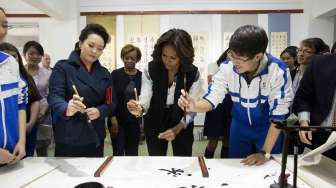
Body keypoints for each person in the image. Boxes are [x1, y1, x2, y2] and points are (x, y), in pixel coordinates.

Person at [178, 25, 293, 165]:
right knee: (237, 167)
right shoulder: (227, 67)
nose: (233, 61)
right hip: (239, 127)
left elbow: (279, 116)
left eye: (239, 58)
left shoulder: (278, 71)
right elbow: (212, 97)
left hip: (267, 127)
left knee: (269, 168)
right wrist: (194, 105)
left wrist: (264, 152)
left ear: (258, 56)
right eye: (231, 55)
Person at [127, 28, 204, 156]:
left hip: (182, 118)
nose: (166, 61)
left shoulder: (193, 73)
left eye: (173, 58)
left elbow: (192, 110)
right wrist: (139, 108)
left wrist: (178, 128)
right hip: (155, 117)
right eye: (164, 55)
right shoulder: (150, 68)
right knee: (156, 160)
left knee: (182, 160)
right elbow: (145, 99)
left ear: (183, 57)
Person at [48, 23, 116, 157]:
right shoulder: (63, 68)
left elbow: (111, 102)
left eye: (100, 48)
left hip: (95, 133)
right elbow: (54, 97)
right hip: (69, 134)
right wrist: (68, 107)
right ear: (80, 43)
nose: (95, 51)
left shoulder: (104, 74)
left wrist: (99, 111)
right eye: (91, 45)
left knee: (93, 174)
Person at [0, 42, 42, 157]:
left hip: (25, 125)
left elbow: (32, 101)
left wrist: (31, 123)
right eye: (7, 56)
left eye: (14, 56)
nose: (11, 60)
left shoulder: (24, 78)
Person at [293, 54, 336, 160]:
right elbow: (303, 96)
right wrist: (304, 122)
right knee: (314, 173)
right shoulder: (319, 63)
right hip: (318, 133)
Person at [0, 7, 27, 164]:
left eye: (4, 25)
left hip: (12, 157)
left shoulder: (10, 63)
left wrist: (22, 141)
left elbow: (20, 104)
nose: (2, 31)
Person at [109, 44, 142, 156]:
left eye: (132, 58)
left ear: (137, 59)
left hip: (134, 121)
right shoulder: (115, 74)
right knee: (118, 152)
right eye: (126, 58)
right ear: (122, 58)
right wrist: (112, 118)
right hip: (117, 120)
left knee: (132, 153)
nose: (129, 61)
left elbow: (144, 100)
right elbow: (110, 96)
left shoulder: (141, 76)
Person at [24, 40, 52, 156]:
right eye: (31, 53)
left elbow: (50, 94)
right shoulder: (19, 72)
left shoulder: (48, 74)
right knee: (24, 147)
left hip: (43, 115)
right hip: (23, 114)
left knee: (42, 149)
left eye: (38, 54)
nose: (35, 57)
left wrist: (43, 111)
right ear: (25, 54)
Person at [203, 50, 232, 158]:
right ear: (226, 53)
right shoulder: (214, 65)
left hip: (230, 105)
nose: (233, 57)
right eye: (231, 53)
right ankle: (207, 162)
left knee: (227, 140)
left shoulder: (237, 68)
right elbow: (211, 82)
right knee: (213, 141)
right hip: (215, 104)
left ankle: (224, 165)